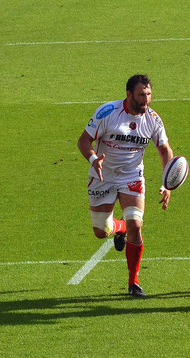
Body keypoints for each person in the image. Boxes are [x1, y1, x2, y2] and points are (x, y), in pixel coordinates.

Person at [77, 74, 175, 297]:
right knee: (101, 232)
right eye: (141, 94)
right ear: (129, 94)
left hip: (132, 176)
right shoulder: (108, 112)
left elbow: (164, 150)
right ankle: (118, 228)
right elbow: (83, 140)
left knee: (136, 225)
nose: (146, 99)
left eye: (149, 94)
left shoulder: (153, 119)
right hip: (103, 175)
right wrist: (94, 159)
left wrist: (167, 183)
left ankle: (133, 282)